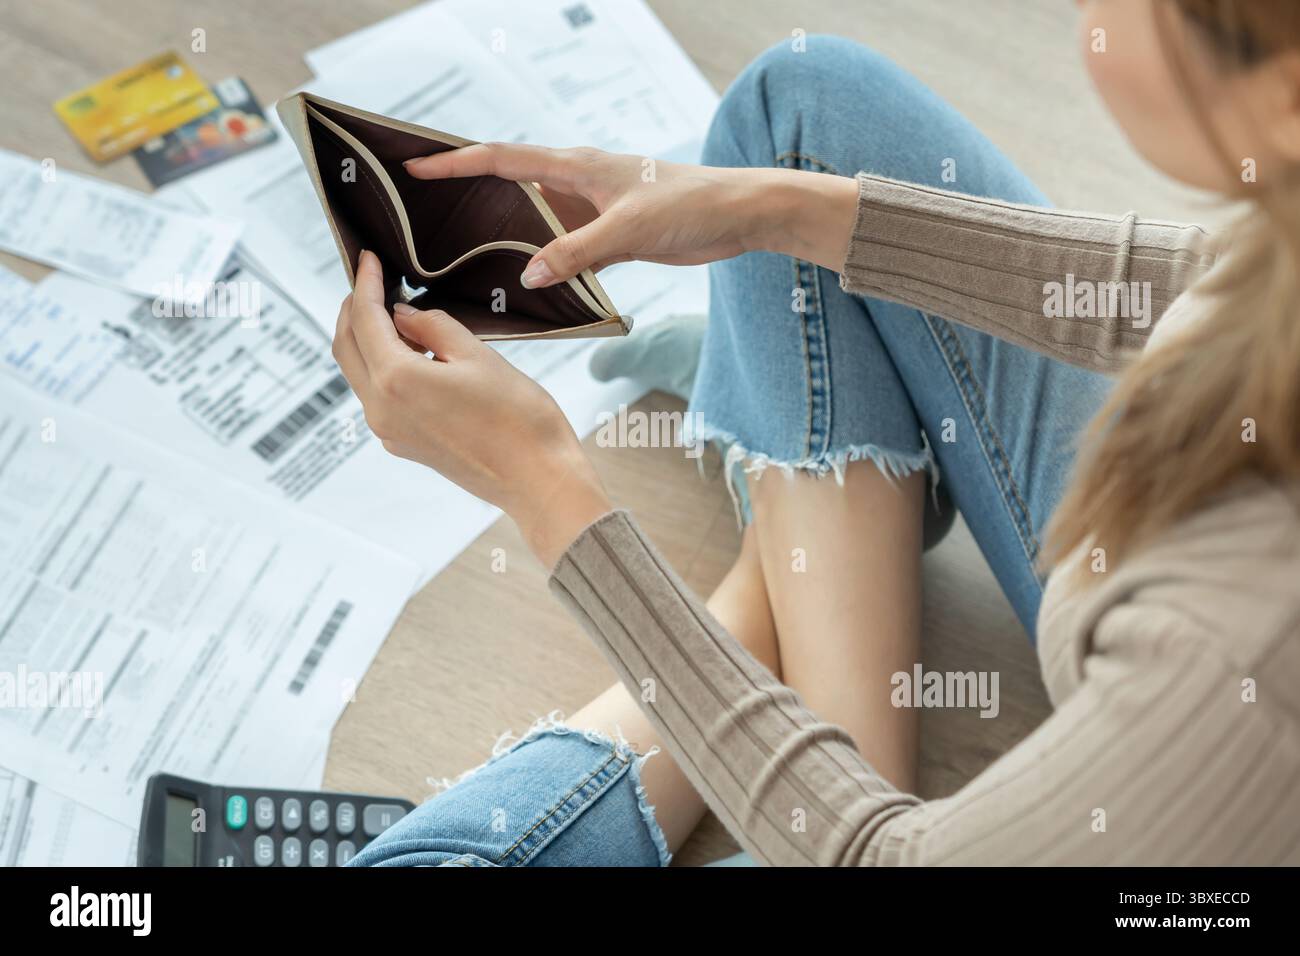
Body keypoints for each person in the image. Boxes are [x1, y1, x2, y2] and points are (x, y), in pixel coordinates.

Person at [337, 0, 1300, 866]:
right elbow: (1218, 286)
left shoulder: (1235, 653)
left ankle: (782, 557)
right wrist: (774, 210)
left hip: (1175, 635)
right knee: (795, 111)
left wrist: (545, 492)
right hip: (1208, 476)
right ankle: (805, 519)